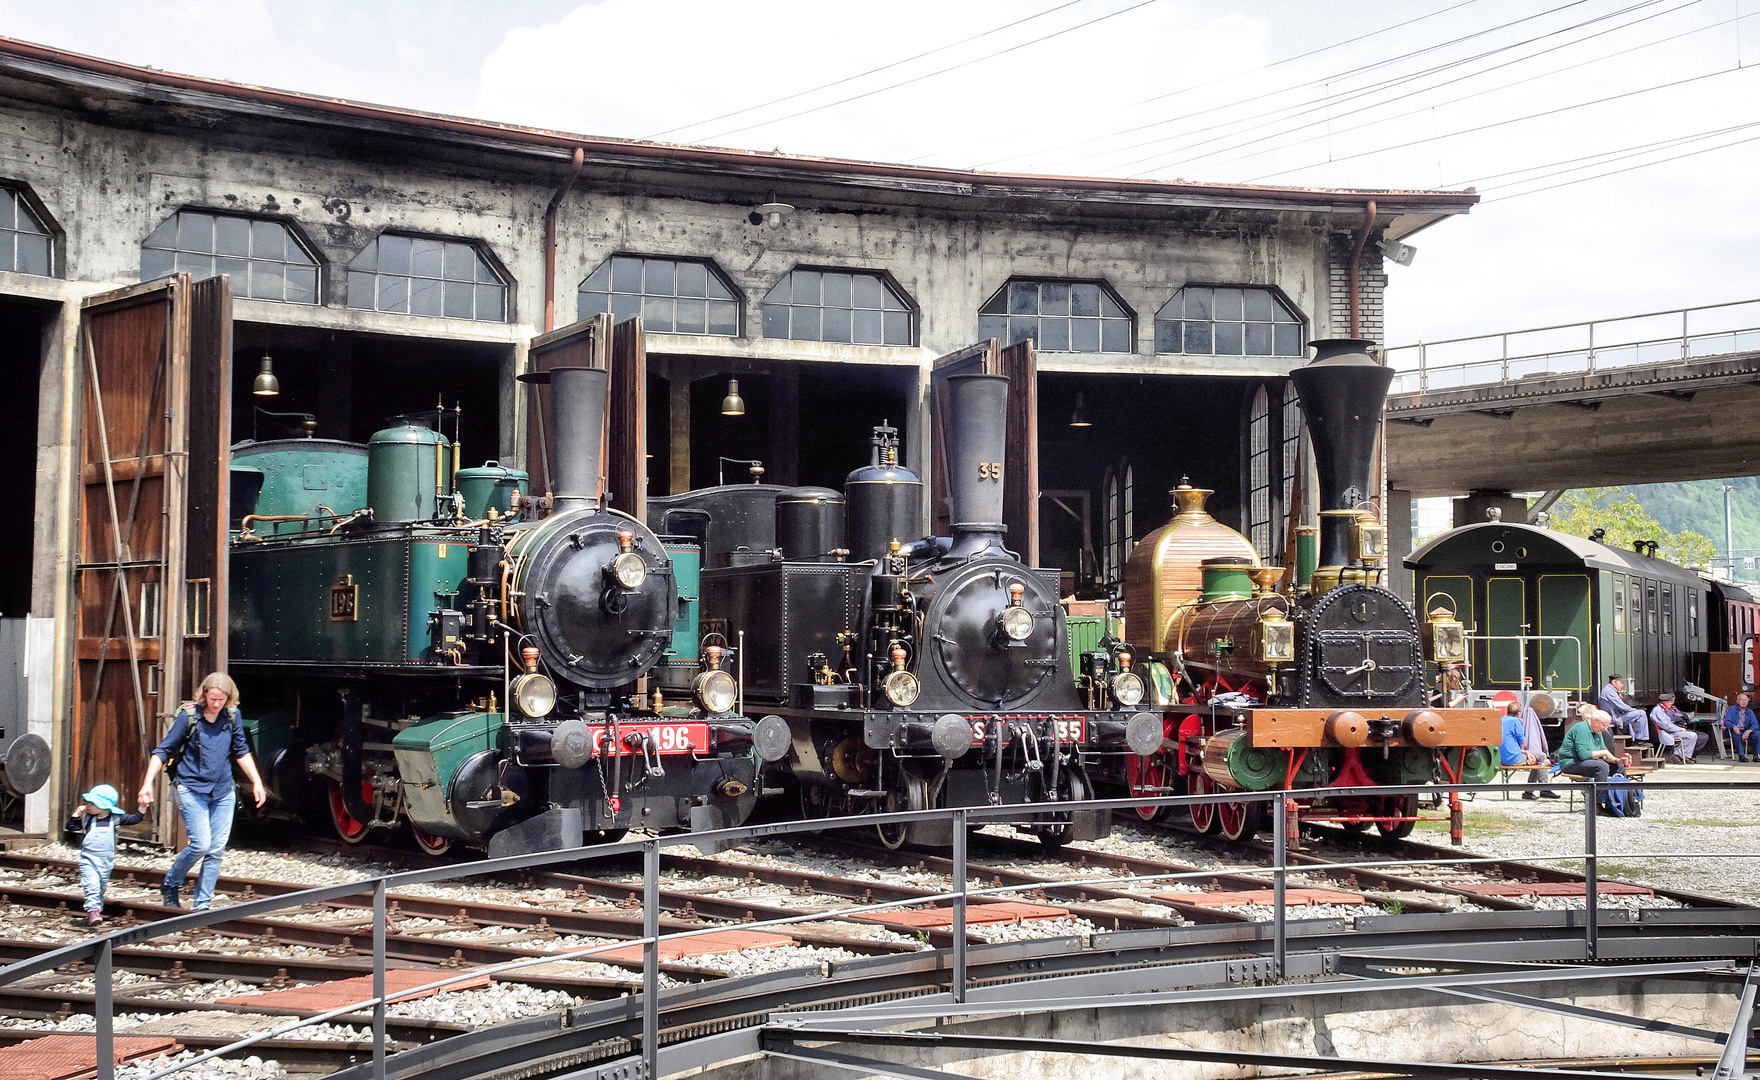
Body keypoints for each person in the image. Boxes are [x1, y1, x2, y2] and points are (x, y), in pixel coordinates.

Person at [137, 673, 267, 911]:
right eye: (213, 698)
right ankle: (171, 883)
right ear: (204, 694)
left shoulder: (232, 716)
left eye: (222, 699)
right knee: (201, 844)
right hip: (190, 788)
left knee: (216, 850)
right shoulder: (189, 716)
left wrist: (257, 782)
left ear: (229, 698)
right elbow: (163, 751)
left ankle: (202, 906)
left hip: (223, 791)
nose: (216, 704)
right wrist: (147, 783)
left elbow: (241, 750)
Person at [65, 784, 144, 926]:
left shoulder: (115, 819)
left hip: (106, 859)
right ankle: (93, 911)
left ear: (103, 806)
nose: (88, 806)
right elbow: (71, 826)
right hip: (88, 858)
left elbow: (135, 819)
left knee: (101, 886)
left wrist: (142, 807)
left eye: (92, 803)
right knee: (92, 884)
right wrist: (77, 813)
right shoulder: (88, 819)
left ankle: (96, 911)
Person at [1498, 700, 1555, 800]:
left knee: (1535, 761)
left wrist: (1523, 751)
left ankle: (1529, 792)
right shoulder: (1516, 722)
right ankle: (1544, 789)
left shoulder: (1500, 720)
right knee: (1541, 756)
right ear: (1519, 713)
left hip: (1501, 758)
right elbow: (1523, 743)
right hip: (1514, 758)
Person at [1556, 708, 1628, 783]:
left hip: (1588, 761)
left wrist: (1616, 760)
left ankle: (1623, 793)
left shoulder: (1597, 731)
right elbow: (1583, 755)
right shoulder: (1581, 728)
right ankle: (1598, 794)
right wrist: (1604, 752)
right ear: (1595, 721)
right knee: (1602, 767)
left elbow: (1604, 754)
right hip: (1571, 763)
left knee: (1619, 768)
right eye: (1604, 725)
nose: (1606, 729)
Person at [1649, 691, 1707, 764]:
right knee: (1692, 735)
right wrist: (1680, 729)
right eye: (1670, 701)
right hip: (1667, 733)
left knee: (1694, 735)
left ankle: (1683, 756)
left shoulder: (1668, 709)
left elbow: (1682, 716)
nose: (1671, 703)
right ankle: (1678, 755)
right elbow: (1667, 726)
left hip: (1673, 731)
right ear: (1665, 702)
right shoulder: (1658, 711)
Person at [1598, 674, 1650, 742]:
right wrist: (1634, 710)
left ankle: (1632, 740)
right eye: (1620, 683)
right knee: (1641, 713)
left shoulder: (1611, 690)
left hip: (1617, 715)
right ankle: (1641, 739)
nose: (1622, 685)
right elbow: (1621, 706)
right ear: (1614, 682)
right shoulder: (1609, 691)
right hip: (1614, 718)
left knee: (1633, 716)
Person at [1723, 692, 1759, 762]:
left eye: (1745, 700)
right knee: (1737, 735)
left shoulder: (1750, 711)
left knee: (1757, 734)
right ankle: (1741, 755)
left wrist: (1749, 731)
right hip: (1735, 730)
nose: (1743, 702)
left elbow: (1755, 724)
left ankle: (1756, 755)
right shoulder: (1732, 709)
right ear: (1737, 701)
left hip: (1746, 730)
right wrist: (1733, 726)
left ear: (1748, 702)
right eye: (1741, 700)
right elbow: (1726, 722)